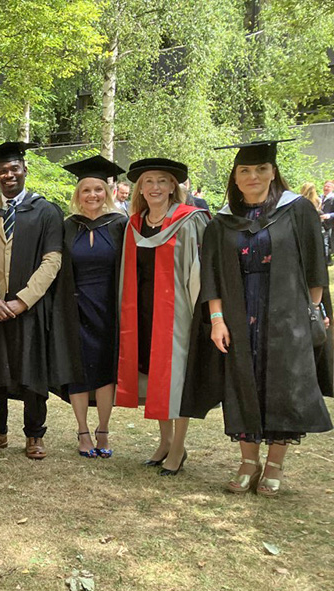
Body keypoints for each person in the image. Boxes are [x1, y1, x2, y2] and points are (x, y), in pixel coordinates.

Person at [182, 140, 333, 495]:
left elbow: (315, 269)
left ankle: (275, 463)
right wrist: (217, 320)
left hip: (287, 312)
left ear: (273, 172)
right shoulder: (222, 222)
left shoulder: (297, 210)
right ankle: (248, 461)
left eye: (261, 169)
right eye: (245, 171)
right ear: (235, 178)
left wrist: (312, 312)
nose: (254, 176)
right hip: (239, 312)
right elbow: (212, 276)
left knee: (284, 384)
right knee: (241, 382)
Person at [0, 141, 78, 460]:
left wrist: (23, 300)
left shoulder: (46, 211)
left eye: (14, 168)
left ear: (25, 170)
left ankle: (34, 434)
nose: (9, 174)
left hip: (30, 309)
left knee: (33, 370)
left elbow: (52, 260)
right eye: (3, 170)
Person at [117, 157, 208, 476]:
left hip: (178, 309)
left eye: (161, 181)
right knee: (157, 376)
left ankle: (179, 447)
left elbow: (200, 270)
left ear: (173, 187)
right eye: (148, 182)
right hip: (143, 310)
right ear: (140, 189)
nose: (154, 187)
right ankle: (165, 441)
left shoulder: (190, 220)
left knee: (176, 377)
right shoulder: (134, 224)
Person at [57, 156, 128, 458]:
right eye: (86, 190)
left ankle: (104, 430)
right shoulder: (68, 226)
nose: (92, 195)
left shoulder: (120, 225)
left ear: (107, 193)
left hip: (108, 308)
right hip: (75, 307)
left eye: (98, 189)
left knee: (104, 369)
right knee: (78, 368)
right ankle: (83, 431)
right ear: (78, 194)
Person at [320, 180, 334, 265]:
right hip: (320, 223)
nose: (326, 188)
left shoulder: (332, 198)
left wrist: (329, 215)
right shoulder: (320, 197)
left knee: (326, 243)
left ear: (332, 188)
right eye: (325, 186)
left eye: (328, 187)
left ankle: (325, 261)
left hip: (329, 224)